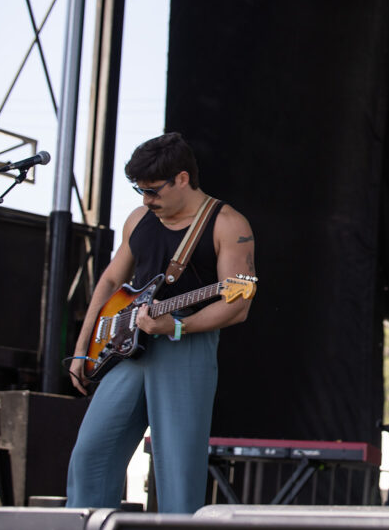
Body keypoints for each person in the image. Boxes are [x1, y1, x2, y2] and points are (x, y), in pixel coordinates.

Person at [65, 132, 255, 513]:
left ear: (182, 178)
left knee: (178, 473)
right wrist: (82, 350)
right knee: (90, 456)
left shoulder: (228, 223)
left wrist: (178, 327)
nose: (146, 200)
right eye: (140, 190)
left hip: (185, 343)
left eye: (153, 191)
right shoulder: (139, 218)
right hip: (128, 344)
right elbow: (109, 282)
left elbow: (239, 303)